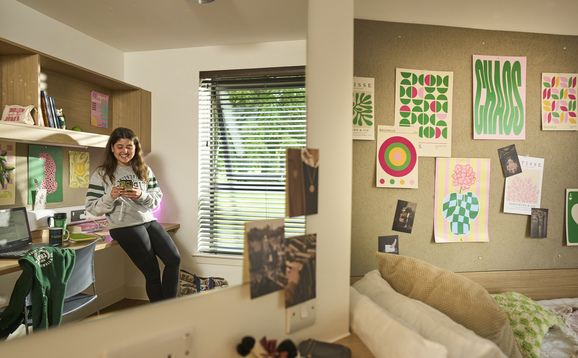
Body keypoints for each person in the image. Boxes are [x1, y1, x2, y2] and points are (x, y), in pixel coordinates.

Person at [85, 127, 180, 302]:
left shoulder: (143, 169)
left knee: (174, 259)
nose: (125, 151)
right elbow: (91, 207)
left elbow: (156, 199)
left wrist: (141, 195)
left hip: (147, 220)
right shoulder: (102, 174)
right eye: (120, 146)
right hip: (124, 226)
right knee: (152, 273)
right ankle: (162, 314)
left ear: (135, 148)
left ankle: (169, 308)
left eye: (129, 146)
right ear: (112, 148)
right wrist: (110, 197)